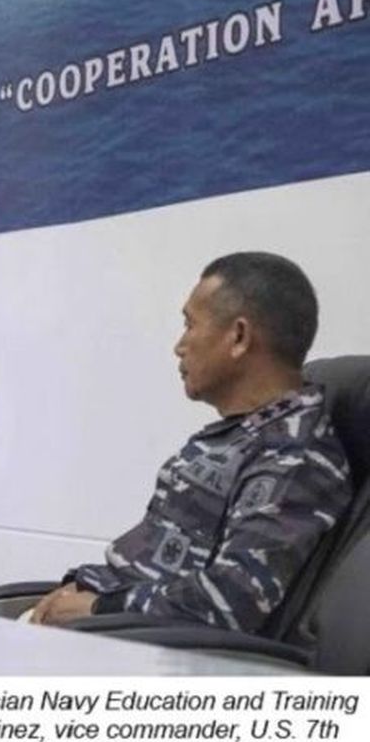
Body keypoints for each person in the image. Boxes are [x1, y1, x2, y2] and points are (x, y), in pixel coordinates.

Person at [30, 252, 351, 634]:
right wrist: (81, 589)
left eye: (189, 325)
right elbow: (151, 560)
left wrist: (99, 607)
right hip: (119, 628)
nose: (179, 346)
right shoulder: (237, 435)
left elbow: (230, 602)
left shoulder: (295, 456)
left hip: (163, 657)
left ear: (238, 337)